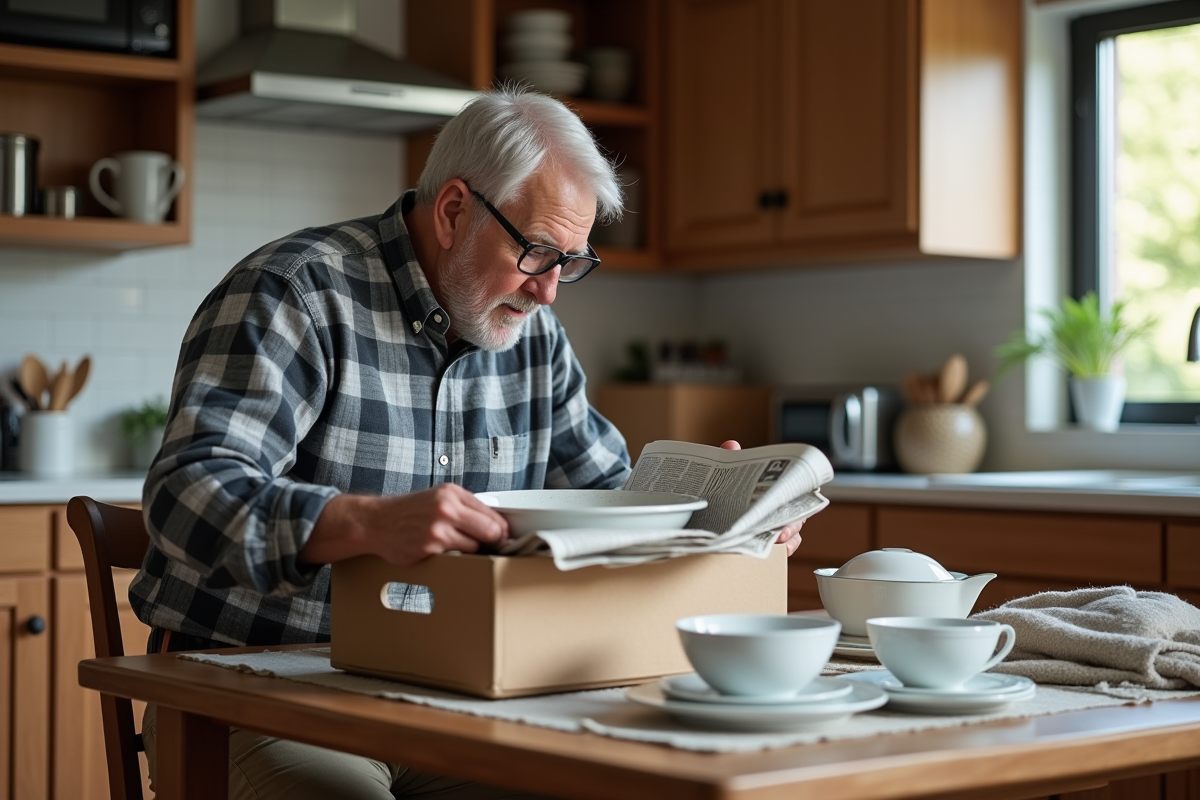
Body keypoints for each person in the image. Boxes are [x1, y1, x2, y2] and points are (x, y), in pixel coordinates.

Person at [129, 86, 803, 800]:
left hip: (461, 692)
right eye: (539, 252)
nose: (549, 294)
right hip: (255, 687)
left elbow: (611, 497)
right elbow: (185, 495)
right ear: (453, 210)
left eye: (571, 262)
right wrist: (363, 522)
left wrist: (723, 515)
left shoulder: (532, 338)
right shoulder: (295, 292)